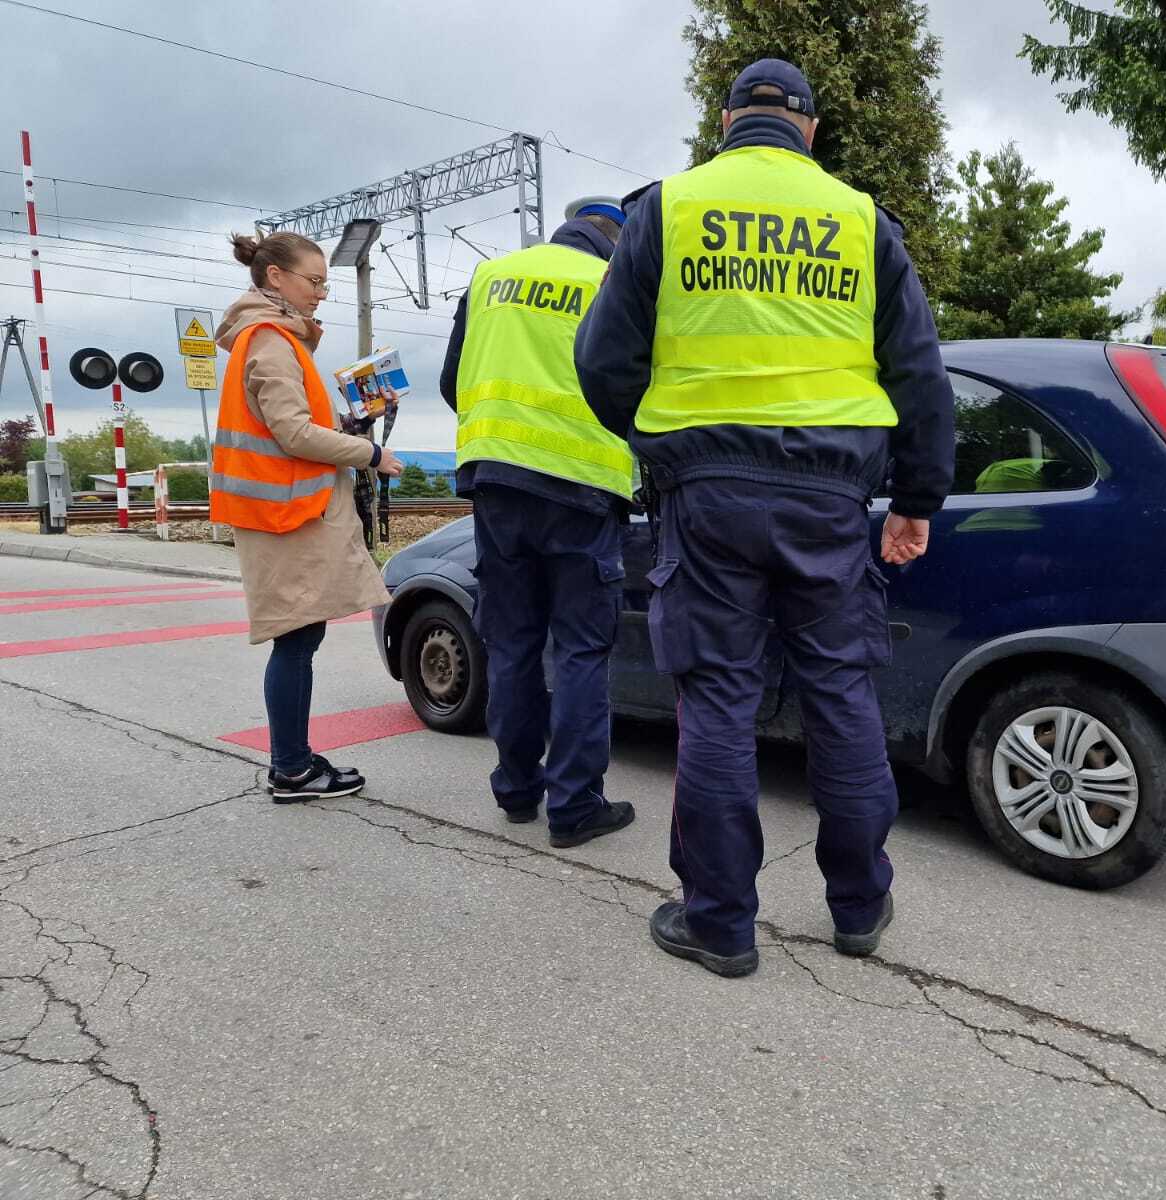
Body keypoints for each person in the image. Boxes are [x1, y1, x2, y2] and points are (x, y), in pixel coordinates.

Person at [575, 59, 956, 977]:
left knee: (716, 698)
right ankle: (860, 907)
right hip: (831, 499)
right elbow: (920, 377)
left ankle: (720, 922)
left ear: (725, 120)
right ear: (812, 132)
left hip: (706, 498)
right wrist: (917, 501)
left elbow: (602, 361)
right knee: (841, 694)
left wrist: (666, 445)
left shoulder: (666, 209)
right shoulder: (862, 222)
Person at [438, 202, 637, 848]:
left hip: (497, 486)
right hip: (583, 490)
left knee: (514, 642)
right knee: (581, 648)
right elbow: (639, 388)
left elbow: (451, 382)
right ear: (615, 241)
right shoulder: (612, 284)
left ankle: (517, 790)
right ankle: (575, 805)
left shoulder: (492, 276)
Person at [214, 231, 402, 802]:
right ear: (276, 278)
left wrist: (347, 428)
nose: (322, 293)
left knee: (300, 636)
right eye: (314, 281)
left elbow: (289, 428)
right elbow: (292, 433)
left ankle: (293, 758)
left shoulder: (275, 338)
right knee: (296, 639)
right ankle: (291, 768)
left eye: (325, 283)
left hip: (285, 509)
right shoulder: (270, 339)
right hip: (285, 514)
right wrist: (370, 453)